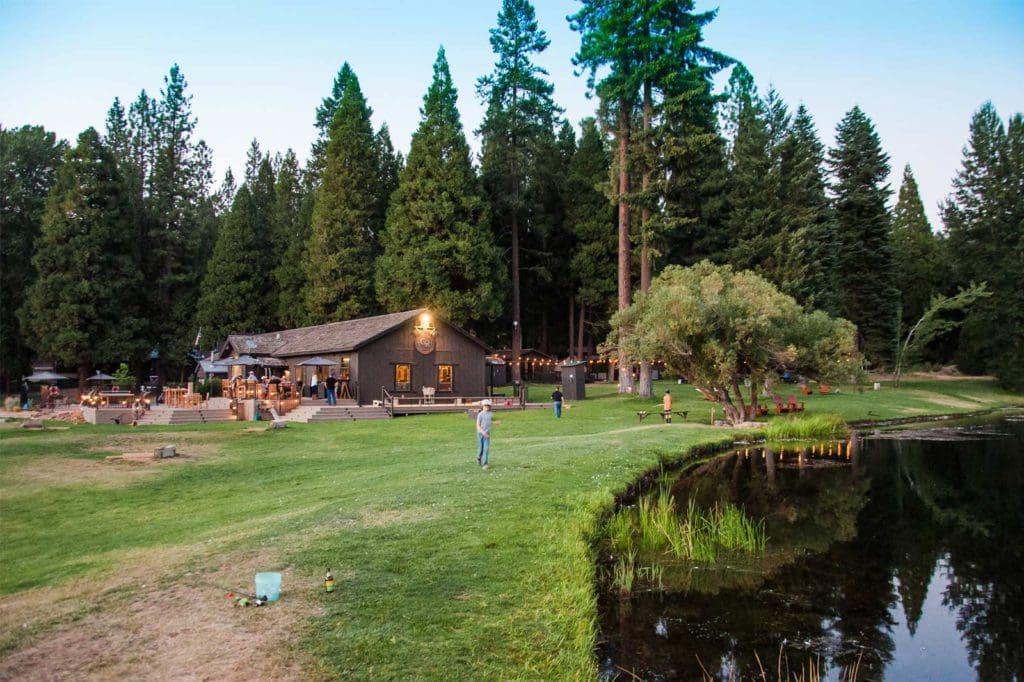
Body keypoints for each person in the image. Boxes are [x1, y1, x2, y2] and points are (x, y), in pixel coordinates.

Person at [476, 399, 493, 470]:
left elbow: (489, 422)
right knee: (481, 449)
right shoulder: (480, 414)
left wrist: (495, 423)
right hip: (480, 434)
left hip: (487, 434)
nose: (487, 407)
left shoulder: (490, 414)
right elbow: (478, 426)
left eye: (488, 406)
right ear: (482, 406)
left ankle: (485, 464)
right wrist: (483, 433)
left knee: (486, 449)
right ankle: (478, 457)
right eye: (485, 406)